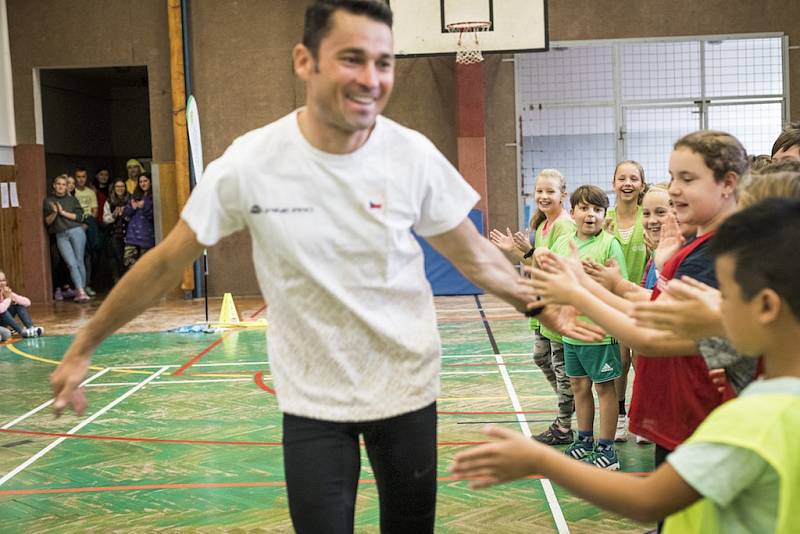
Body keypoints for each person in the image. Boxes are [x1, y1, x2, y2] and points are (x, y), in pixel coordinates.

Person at [48, 2, 602, 533]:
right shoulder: (252, 161)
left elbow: (472, 253)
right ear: (304, 62)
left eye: (383, 62)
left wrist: (536, 303)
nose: (371, 77)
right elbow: (166, 261)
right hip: (312, 399)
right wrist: (83, 343)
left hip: (406, 389)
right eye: (352, 58)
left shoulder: (409, 154)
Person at [451, 197, 800, 533]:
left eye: (721, 296)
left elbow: (648, 499)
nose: (709, 303)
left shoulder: (755, 421)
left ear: (766, 307)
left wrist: (539, 461)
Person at [527, 131, 748, 493]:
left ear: (728, 184)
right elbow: (656, 308)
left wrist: (580, 296)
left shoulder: (715, 256)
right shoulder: (689, 248)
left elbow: (659, 335)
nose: (675, 189)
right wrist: (622, 287)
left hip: (697, 413)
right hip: (678, 409)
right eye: (673, 177)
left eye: (687, 179)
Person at [490, 169, 576, 446]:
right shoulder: (542, 225)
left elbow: (555, 269)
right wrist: (516, 251)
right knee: (541, 358)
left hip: (559, 306)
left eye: (550, 191)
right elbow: (533, 264)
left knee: (562, 368)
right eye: (539, 191)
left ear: (563, 195)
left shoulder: (564, 225)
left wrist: (527, 252)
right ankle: (568, 404)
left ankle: (564, 425)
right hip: (543, 303)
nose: (543, 196)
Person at [544, 185, 627, 470]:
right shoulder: (562, 243)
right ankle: (584, 440)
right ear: (573, 211)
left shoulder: (609, 244)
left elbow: (620, 288)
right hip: (571, 334)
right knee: (579, 385)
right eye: (584, 208)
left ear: (605, 215)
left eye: (597, 210)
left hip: (600, 335)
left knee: (605, 389)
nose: (590, 215)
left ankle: (607, 448)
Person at [604, 160, 647, 443]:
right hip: (613, 301)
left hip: (643, 299)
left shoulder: (651, 215)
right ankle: (620, 416)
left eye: (633, 178)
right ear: (614, 183)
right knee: (620, 361)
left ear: (642, 184)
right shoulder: (604, 217)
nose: (627, 183)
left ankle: (644, 419)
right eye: (622, 178)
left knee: (643, 361)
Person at [43, 175, 90, 303]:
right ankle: (80, 290)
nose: (61, 186)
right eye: (58, 184)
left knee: (79, 260)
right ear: (54, 185)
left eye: (63, 184)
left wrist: (62, 212)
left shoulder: (72, 200)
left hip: (76, 231)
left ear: (67, 186)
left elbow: (79, 217)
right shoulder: (48, 201)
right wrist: (54, 212)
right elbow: (47, 222)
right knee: (71, 263)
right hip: (61, 234)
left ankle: (81, 290)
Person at [73, 168, 99, 296]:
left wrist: (88, 224)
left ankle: (87, 284)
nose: (81, 179)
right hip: (76, 225)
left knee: (92, 254)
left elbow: (94, 211)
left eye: (83, 176)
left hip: (89, 225)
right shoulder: (73, 192)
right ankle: (80, 286)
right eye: (78, 176)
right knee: (81, 256)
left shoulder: (90, 192)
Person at [122, 173, 155, 269]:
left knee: (145, 266)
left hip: (146, 236)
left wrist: (144, 206)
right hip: (132, 235)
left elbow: (153, 215)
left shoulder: (154, 196)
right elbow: (126, 213)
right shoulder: (135, 195)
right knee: (128, 261)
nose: (143, 184)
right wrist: (132, 207)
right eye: (140, 182)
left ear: (151, 182)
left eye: (145, 181)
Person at [0, 270, 44, 337]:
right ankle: (21, 331)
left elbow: (28, 302)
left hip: (3, 322)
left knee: (18, 305)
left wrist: (14, 298)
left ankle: (31, 328)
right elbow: (1, 309)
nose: (1, 283)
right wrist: (8, 298)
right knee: (3, 312)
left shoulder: (6, 292)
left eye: (3, 280)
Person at [103, 179, 131, 282]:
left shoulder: (130, 199)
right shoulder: (109, 201)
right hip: (114, 233)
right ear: (114, 189)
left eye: (122, 186)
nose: (120, 189)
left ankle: (127, 279)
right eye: (117, 187)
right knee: (116, 257)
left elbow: (134, 216)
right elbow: (105, 219)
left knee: (126, 257)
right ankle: (117, 279)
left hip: (129, 232)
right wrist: (114, 215)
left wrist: (125, 214)